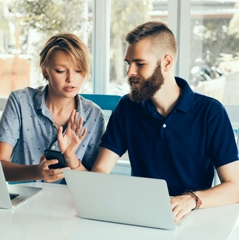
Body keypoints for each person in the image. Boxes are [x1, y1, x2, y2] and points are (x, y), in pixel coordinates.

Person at [92, 21, 239, 221]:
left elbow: (235, 187)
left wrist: (192, 200)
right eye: (128, 63)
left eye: (140, 63)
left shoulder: (210, 112)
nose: (130, 72)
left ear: (167, 63)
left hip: (194, 219)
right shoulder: (127, 107)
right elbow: (101, 169)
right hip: (140, 218)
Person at [0, 33, 105, 183]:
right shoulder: (20, 101)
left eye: (78, 70)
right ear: (45, 71)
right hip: (23, 200)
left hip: (68, 203)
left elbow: (95, 183)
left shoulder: (94, 116)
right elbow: (0, 166)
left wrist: (71, 158)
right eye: (60, 71)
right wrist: (36, 172)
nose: (71, 79)